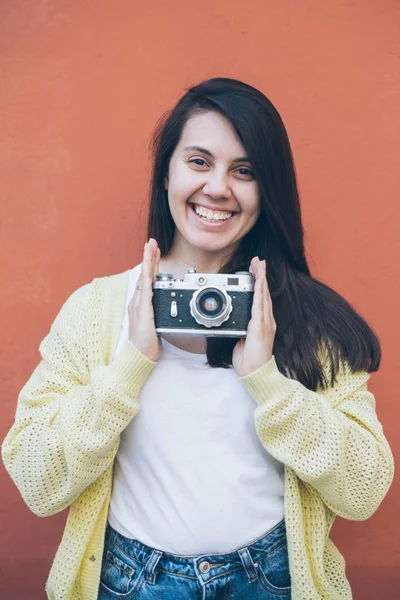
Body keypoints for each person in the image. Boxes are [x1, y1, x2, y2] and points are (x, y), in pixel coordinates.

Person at [1, 77, 394, 600]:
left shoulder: (306, 319)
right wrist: (127, 368)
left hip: (273, 579)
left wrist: (269, 383)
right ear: (166, 173)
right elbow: (37, 481)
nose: (218, 188)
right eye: (199, 162)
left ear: (268, 189)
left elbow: (365, 490)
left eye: (245, 170)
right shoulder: (96, 312)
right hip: (130, 581)